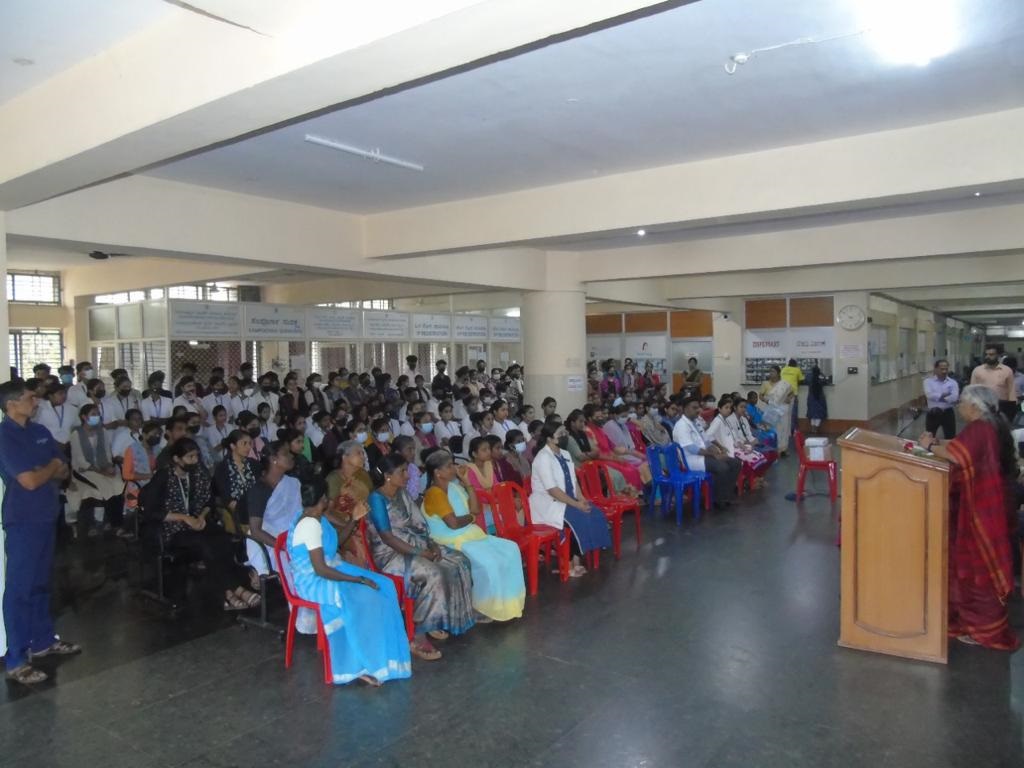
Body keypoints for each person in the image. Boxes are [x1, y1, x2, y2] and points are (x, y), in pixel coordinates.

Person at [918, 385, 1019, 651]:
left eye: (962, 403)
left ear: (974, 406)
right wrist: (940, 444)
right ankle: (981, 623)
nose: (959, 407)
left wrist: (929, 445)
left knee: (978, 569)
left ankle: (984, 629)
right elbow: (961, 447)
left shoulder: (979, 429)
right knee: (980, 566)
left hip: (980, 510)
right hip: (995, 502)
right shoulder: (992, 424)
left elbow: (957, 455)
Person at [288, 478, 412, 686]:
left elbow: (335, 543)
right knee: (364, 598)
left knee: (385, 586)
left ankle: (386, 655)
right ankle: (362, 664)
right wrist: (358, 579)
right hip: (314, 581)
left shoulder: (317, 516)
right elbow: (320, 570)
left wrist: (354, 519)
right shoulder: (309, 525)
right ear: (323, 499)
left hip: (331, 567)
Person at [0, 379, 80, 685]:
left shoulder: (39, 431)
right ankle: (17, 659)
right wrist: (50, 468)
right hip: (23, 520)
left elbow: (64, 469)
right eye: (30, 398)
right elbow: (29, 481)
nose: (36, 402)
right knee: (20, 589)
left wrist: (48, 469)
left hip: (47, 515)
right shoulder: (5, 436)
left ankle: (43, 641)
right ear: (11, 404)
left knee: (41, 584)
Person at [367, 454, 476, 661]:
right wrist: (420, 553)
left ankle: (441, 618)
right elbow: (387, 537)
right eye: (402, 471)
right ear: (388, 476)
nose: (407, 476)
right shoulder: (376, 499)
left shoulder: (402, 493)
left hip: (416, 544)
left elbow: (419, 524)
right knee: (433, 573)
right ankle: (417, 636)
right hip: (391, 554)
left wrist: (431, 544)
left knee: (459, 561)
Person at [143, 438, 260, 611]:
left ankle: (229, 591)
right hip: (173, 528)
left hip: (198, 522)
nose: (195, 460)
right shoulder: (164, 476)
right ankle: (235, 590)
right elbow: (151, 510)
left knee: (223, 538)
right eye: (190, 457)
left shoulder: (198, 474)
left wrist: (201, 517)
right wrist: (184, 518)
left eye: (196, 456)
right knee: (206, 544)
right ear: (177, 459)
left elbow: (209, 501)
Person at [421, 450, 525, 622]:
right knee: (489, 561)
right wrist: (471, 518)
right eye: (449, 466)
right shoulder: (434, 493)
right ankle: (482, 606)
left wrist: (467, 482)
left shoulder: (454, 487)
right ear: (438, 472)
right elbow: (453, 524)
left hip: (469, 535)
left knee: (511, 549)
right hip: (450, 540)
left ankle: (508, 604)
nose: (454, 468)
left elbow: (475, 509)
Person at [530, 422, 612, 578]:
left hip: (568, 499)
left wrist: (581, 499)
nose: (564, 436)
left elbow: (573, 481)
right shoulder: (543, 458)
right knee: (577, 518)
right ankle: (568, 564)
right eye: (560, 434)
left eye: (565, 432)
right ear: (550, 439)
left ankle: (577, 558)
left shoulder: (565, 454)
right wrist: (576, 505)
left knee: (595, 513)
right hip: (549, 503)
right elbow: (553, 490)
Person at [672, 396, 741, 508]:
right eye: (694, 408)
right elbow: (691, 448)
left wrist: (717, 451)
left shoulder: (696, 422)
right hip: (691, 460)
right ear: (684, 409)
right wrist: (714, 455)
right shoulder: (681, 425)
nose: (697, 410)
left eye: (698, 407)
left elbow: (707, 441)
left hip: (704, 456)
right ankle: (718, 500)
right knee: (722, 467)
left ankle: (727, 495)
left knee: (735, 463)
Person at [68, 403, 125, 536]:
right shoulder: (76, 434)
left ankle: (112, 521)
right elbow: (80, 460)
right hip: (84, 470)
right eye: (93, 414)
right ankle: (116, 525)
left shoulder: (102, 431)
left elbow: (107, 452)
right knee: (106, 486)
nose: (97, 416)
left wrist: (109, 467)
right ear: (84, 417)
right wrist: (101, 472)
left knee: (118, 484)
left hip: (102, 466)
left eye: (98, 414)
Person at [245, 441, 300, 576]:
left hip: (295, 534)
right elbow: (255, 530)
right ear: (273, 459)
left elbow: (299, 514)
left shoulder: (293, 483)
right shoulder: (259, 490)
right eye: (286, 453)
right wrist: (283, 546)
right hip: (271, 540)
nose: (291, 456)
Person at [706, 396, 768, 485]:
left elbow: (733, 437)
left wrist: (742, 446)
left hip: (734, 447)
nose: (728, 410)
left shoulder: (726, 421)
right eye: (726, 408)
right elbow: (707, 436)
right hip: (726, 450)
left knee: (759, 456)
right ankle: (749, 482)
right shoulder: (717, 421)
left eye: (729, 408)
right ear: (719, 409)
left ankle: (754, 480)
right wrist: (719, 447)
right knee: (752, 458)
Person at [212, 430, 260, 521]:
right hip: (239, 512)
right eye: (244, 443)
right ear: (233, 446)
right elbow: (228, 500)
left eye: (250, 443)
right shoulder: (222, 468)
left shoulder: (254, 464)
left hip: (258, 507)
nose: (248, 447)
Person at [970, 345, 1017, 421]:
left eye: (991, 354)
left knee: (1000, 428)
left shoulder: (1007, 371)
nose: (988, 357)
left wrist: (1012, 409)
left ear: (998, 355)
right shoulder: (977, 370)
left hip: (1002, 406)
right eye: (986, 354)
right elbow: (972, 391)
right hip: (982, 407)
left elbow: (1011, 391)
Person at [759, 366, 795, 456]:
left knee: (784, 428)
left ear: (778, 373)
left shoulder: (784, 384)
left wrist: (788, 398)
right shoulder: (765, 384)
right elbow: (761, 395)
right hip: (771, 410)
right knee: (773, 429)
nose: (771, 373)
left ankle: (783, 449)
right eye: (770, 371)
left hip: (783, 409)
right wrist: (767, 400)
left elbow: (792, 393)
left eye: (773, 371)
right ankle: (774, 449)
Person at [923, 358, 959, 439]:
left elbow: (954, 398)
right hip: (933, 413)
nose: (944, 371)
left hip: (948, 413)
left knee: (950, 437)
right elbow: (929, 395)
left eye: (946, 369)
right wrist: (945, 396)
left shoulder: (953, 383)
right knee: (929, 437)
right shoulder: (928, 382)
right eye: (942, 369)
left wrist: (938, 397)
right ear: (935, 369)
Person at [805, 365, 828, 435]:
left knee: (812, 414)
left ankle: (813, 429)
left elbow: (806, 378)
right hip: (819, 398)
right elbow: (825, 380)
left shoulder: (809, 379)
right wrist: (821, 373)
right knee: (819, 414)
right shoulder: (820, 379)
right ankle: (816, 429)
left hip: (811, 398)